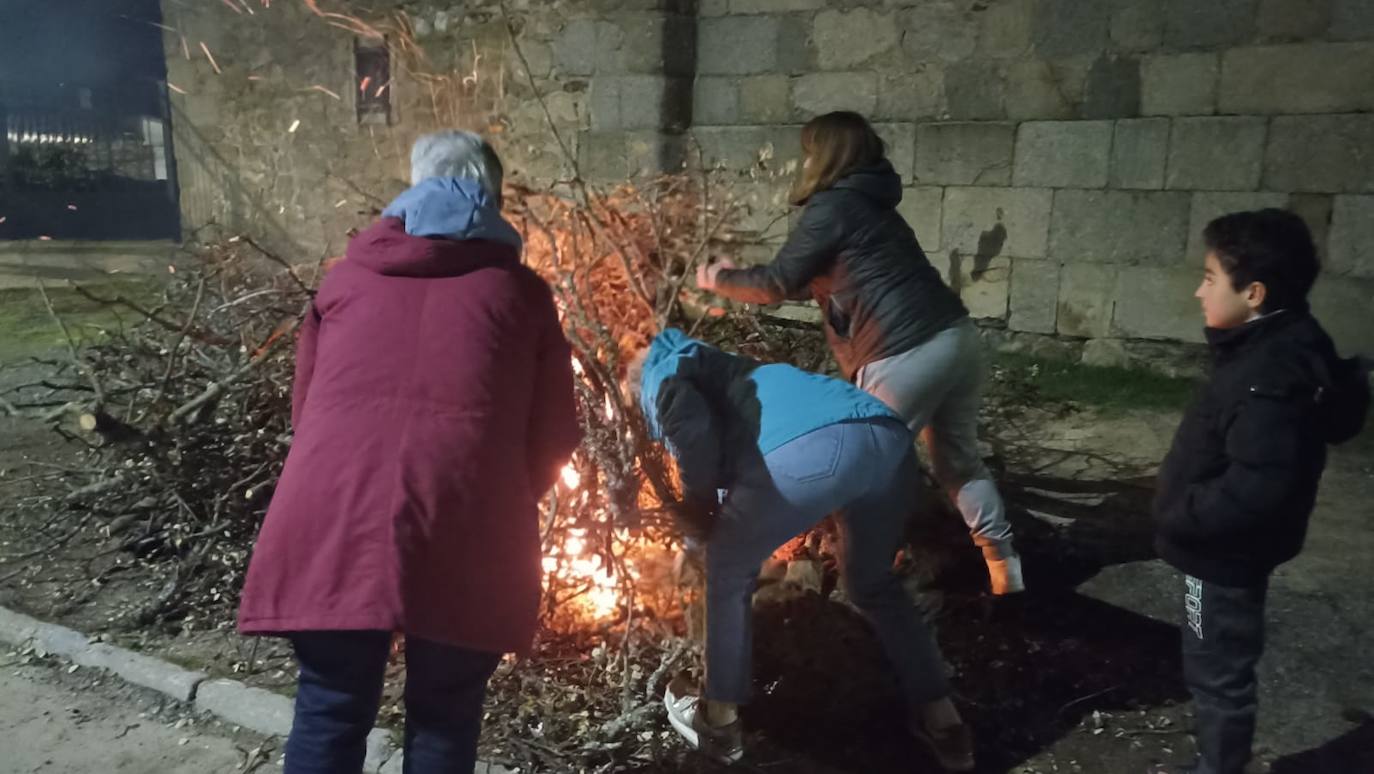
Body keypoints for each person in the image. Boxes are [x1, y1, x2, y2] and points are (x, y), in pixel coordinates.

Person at [237, 130, 581, 774]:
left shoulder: (343, 284)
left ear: (411, 192)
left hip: (330, 513)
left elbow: (307, 411)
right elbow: (556, 435)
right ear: (493, 198)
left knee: (330, 705)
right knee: (446, 713)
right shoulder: (523, 296)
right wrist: (493, 495)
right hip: (464, 520)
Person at [694, 110, 1023, 595]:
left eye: (809, 151)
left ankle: (852, 592)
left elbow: (778, 283)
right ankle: (1006, 571)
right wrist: (745, 279)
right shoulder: (872, 205)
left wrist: (718, 279)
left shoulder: (833, 207)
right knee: (959, 463)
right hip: (955, 340)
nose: (804, 161)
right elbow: (820, 281)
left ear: (824, 155)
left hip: (903, 352)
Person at [632, 328, 977, 771]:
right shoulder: (731, 370)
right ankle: (945, 724)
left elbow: (692, 429)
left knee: (726, 568)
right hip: (886, 438)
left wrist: (698, 532)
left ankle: (717, 722)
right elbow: (727, 447)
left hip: (813, 450)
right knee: (871, 581)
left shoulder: (661, 370)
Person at [1148, 209, 1369, 774]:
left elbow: (1258, 488)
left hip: (1219, 557)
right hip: (1222, 549)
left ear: (1253, 292)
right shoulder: (1282, 340)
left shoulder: (1267, 375)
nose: (1199, 291)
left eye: (1209, 278)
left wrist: (1181, 513)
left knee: (1217, 676)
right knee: (1218, 667)